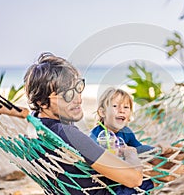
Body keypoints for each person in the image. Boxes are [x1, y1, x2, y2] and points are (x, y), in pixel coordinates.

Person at [24, 52, 143, 195]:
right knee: (151, 178)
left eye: (78, 88)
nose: (78, 99)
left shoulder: (36, 126)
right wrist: (131, 154)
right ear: (41, 102)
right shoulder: (68, 134)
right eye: (67, 95)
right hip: (109, 190)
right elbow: (134, 179)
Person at [90, 87, 184, 183]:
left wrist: (156, 148)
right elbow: (103, 164)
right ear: (102, 113)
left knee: (175, 150)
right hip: (122, 171)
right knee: (173, 159)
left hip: (142, 163)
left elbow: (142, 150)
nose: (121, 111)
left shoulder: (126, 132)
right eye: (115, 106)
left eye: (126, 107)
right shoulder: (97, 136)